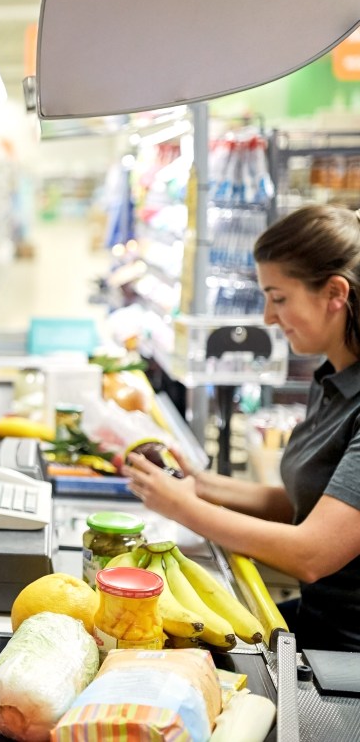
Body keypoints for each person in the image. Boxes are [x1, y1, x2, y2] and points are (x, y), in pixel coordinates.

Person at [126, 204, 360, 651]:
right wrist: (200, 485)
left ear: (335, 292)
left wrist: (184, 509)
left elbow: (311, 553)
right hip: (317, 619)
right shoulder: (331, 379)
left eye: (279, 297)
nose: (270, 318)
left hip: (346, 653)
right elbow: (299, 502)